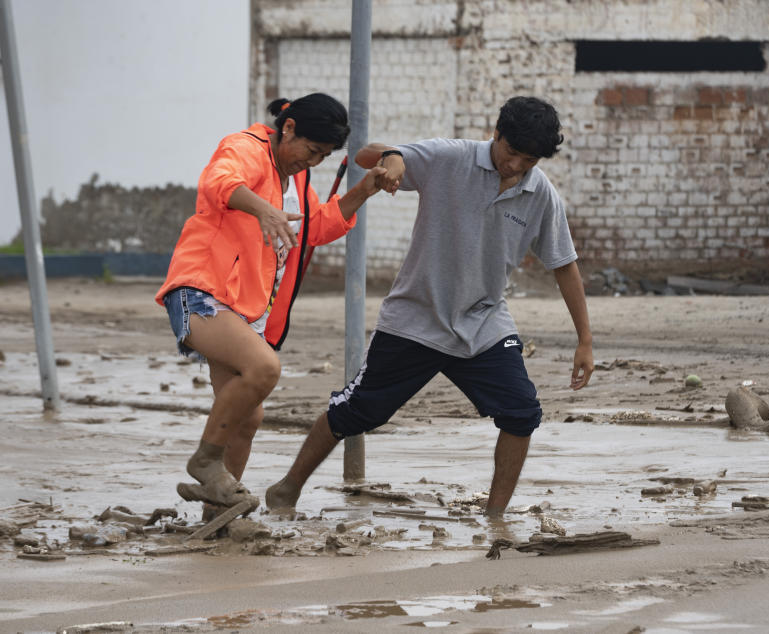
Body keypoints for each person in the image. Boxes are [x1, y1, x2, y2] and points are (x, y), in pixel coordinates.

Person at [264, 96, 594, 517]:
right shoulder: (450, 157)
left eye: (528, 160)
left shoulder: (540, 194)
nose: (515, 166)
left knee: (521, 412)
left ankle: (494, 519)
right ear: (496, 134)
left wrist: (585, 339)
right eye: (511, 152)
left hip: (483, 322)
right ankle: (288, 488)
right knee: (358, 411)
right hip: (414, 320)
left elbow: (564, 265)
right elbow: (366, 154)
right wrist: (394, 160)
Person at [154, 93, 387, 508]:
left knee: (248, 418)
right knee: (264, 367)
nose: (312, 162)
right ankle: (205, 463)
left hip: (245, 305)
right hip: (201, 289)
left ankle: (217, 509)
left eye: (323, 156)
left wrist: (365, 190)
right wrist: (262, 208)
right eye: (311, 151)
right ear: (289, 128)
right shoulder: (247, 146)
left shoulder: (296, 177)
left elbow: (315, 228)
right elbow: (218, 181)